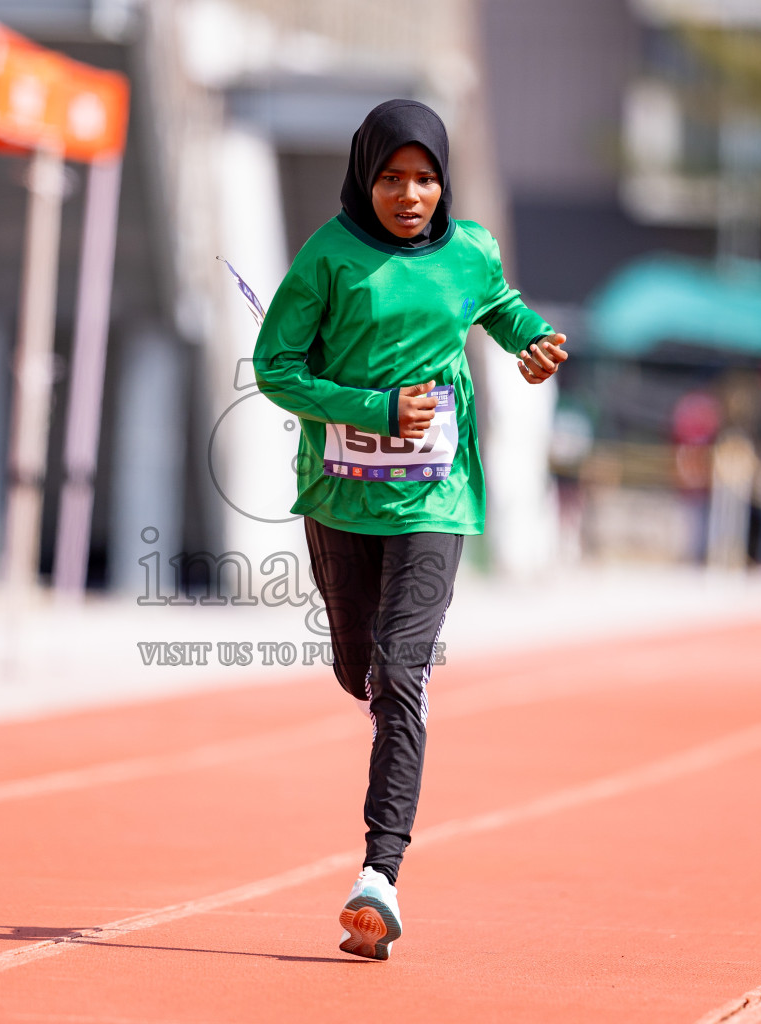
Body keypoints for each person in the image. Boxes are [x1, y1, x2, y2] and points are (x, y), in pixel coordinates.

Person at [252, 99, 567, 960]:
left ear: (444, 183)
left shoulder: (470, 250)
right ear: (366, 176)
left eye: (426, 178)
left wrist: (531, 340)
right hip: (338, 499)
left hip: (437, 499)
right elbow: (274, 367)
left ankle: (378, 877)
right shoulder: (328, 256)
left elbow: (497, 304)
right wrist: (371, 408)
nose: (410, 194)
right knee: (361, 672)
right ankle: (386, 685)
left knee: (400, 673)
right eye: (393, 178)